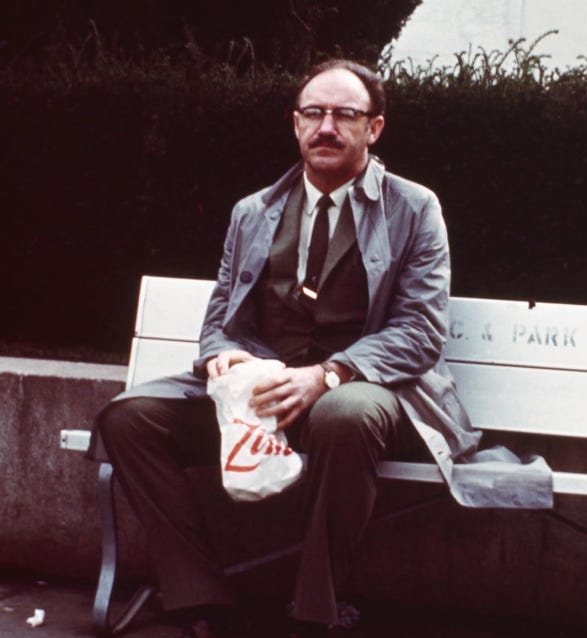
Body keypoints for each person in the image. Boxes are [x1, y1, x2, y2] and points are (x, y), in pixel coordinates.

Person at [91, 59, 550, 638]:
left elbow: (420, 330)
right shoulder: (252, 212)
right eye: (314, 113)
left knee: (342, 413)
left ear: (373, 129)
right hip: (263, 396)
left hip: (369, 394)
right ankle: (199, 594)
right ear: (296, 123)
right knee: (127, 419)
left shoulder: (414, 209)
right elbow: (218, 322)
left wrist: (328, 374)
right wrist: (224, 357)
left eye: (344, 114)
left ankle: (317, 610)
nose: (326, 127)